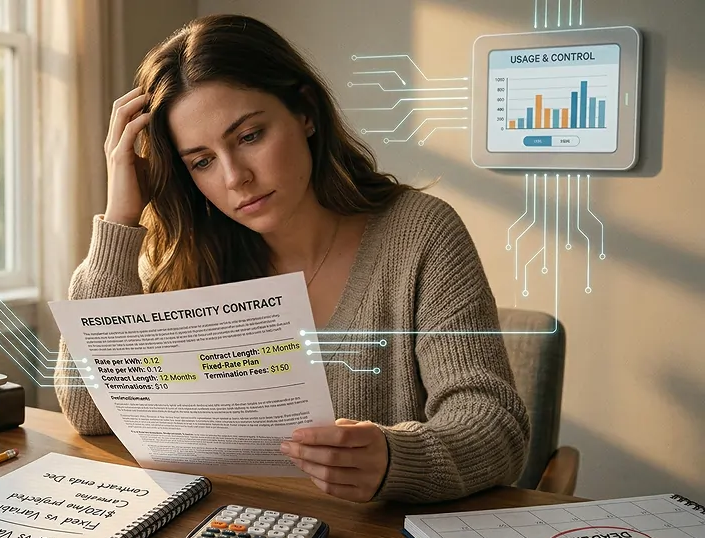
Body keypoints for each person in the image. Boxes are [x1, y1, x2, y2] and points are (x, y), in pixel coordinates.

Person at [54, 14, 529, 504]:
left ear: (305, 112)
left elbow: (495, 423)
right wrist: (120, 219)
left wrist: (396, 457)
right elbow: (89, 413)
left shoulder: (420, 234)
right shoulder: (185, 255)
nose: (235, 177)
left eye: (249, 136)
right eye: (202, 161)